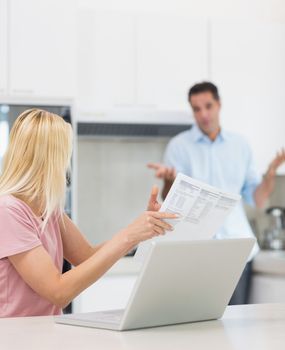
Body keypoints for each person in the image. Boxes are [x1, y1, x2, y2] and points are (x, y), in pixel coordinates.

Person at [0, 109, 177, 318]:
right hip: (15, 339)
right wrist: (130, 233)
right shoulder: (8, 211)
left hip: (44, 333)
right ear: (51, 158)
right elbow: (58, 292)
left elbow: (87, 257)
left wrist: (142, 230)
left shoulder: (48, 209)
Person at [148, 81, 285, 305]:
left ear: (219, 104)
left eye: (208, 106)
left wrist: (270, 173)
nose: (203, 114)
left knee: (237, 325)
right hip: (198, 253)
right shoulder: (179, 146)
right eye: (197, 109)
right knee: (200, 326)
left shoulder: (240, 145)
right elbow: (169, 199)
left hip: (237, 250)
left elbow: (258, 200)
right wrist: (169, 181)